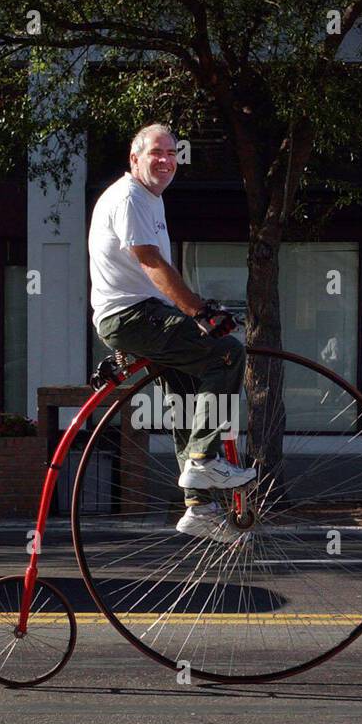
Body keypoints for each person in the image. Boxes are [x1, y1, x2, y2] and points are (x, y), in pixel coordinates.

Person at [88, 123, 255, 542]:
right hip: (133, 315)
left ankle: (199, 506)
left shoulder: (148, 199)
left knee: (184, 393)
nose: (165, 161)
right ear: (135, 159)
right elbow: (149, 262)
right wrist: (197, 310)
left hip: (139, 316)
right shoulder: (129, 197)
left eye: (172, 153)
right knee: (227, 354)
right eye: (155, 153)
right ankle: (203, 457)